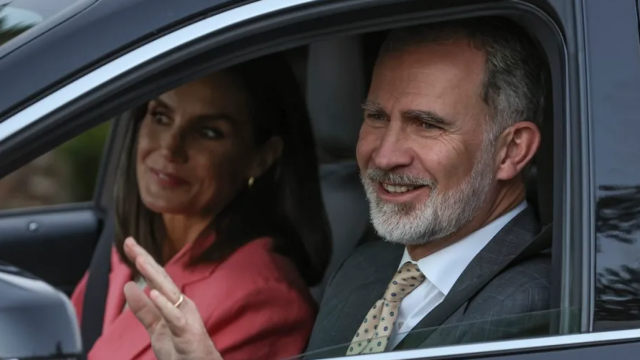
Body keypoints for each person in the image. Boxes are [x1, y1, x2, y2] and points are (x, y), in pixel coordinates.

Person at [120, 16, 550, 360]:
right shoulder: (367, 269)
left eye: (426, 125)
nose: (384, 156)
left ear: (511, 151)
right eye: (377, 117)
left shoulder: (529, 305)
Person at [70, 54, 332, 360]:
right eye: (160, 116)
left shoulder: (264, 299)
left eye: (208, 132)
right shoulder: (126, 253)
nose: (170, 147)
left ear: (261, 157)